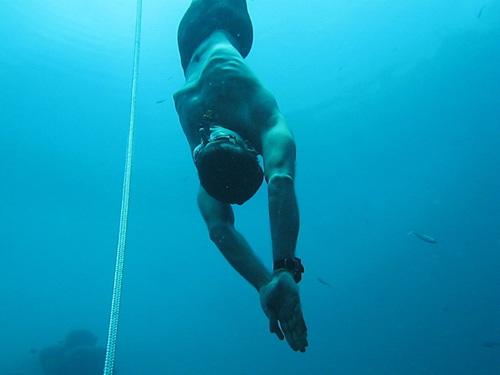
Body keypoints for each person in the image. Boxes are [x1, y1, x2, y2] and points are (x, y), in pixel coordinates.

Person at [174, 0, 308, 352]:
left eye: (205, 143)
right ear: (253, 150)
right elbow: (279, 180)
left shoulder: (209, 166)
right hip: (228, 22)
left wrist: (264, 283)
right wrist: (282, 270)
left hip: (189, 40)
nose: (207, 133)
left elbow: (219, 228)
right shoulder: (263, 120)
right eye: (220, 136)